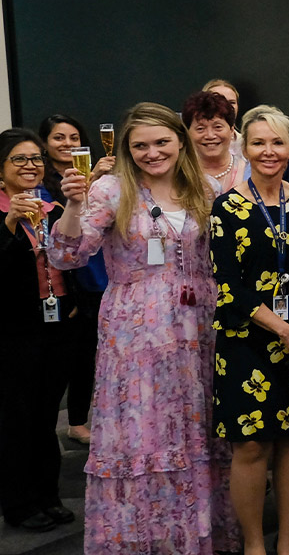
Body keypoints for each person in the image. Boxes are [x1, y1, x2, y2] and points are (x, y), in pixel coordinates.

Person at [48, 103, 238, 553]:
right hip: (137, 330)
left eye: (161, 142)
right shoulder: (112, 190)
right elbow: (68, 255)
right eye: (141, 146)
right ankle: (144, 538)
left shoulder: (204, 189)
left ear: (179, 141)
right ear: (128, 150)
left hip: (200, 325)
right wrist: (74, 204)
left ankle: (196, 535)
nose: (152, 153)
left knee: (197, 425)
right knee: (144, 427)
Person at [209, 106, 289, 555]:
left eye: (277, 142)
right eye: (258, 142)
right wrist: (285, 330)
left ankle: (287, 542)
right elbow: (230, 285)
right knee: (250, 448)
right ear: (244, 149)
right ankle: (254, 545)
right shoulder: (226, 207)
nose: (268, 151)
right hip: (248, 340)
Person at [0, 129, 77, 532]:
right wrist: (11, 224)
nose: (30, 166)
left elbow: (70, 257)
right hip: (14, 331)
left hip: (57, 324)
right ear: (1, 170)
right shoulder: (3, 213)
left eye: (35, 159)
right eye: (19, 159)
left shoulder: (52, 207)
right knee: (16, 419)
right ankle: (19, 503)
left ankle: (48, 495)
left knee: (47, 418)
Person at [35, 114, 108, 448]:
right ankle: (64, 424)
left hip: (100, 275)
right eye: (59, 138)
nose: (67, 144)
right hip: (67, 279)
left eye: (74, 137)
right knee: (69, 355)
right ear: (45, 143)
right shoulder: (42, 184)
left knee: (90, 355)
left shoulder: (96, 176)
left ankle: (81, 419)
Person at [184, 90, 248, 193]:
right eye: (200, 128)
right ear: (188, 133)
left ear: (231, 130)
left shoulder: (250, 172)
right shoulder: (179, 173)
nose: (210, 135)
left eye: (218, 127)